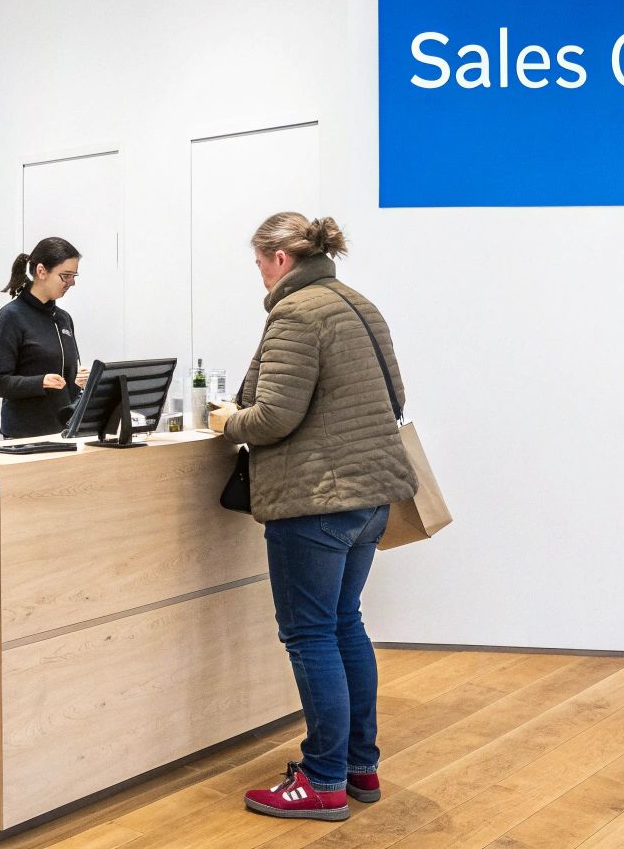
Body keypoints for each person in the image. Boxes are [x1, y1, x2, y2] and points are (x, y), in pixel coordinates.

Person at [208, 212, 417, 822]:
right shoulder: (360, 304)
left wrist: (225, 422)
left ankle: (322, 779)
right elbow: (395, 396)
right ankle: (359, 766)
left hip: (316, 502)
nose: (259, 280)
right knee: (344, 625)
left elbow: (273, 417)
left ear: (279, 259)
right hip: (372, 497)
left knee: (309, 635)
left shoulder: (296, 315)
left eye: (258, 266)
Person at [0, 236, 87, 438]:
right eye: (65, 275)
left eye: (74, 276)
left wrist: (82, 380)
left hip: (63, 434)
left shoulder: (63, 319)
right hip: (25, 437)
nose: (72, 282)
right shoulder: (10, 318)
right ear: (41, 271)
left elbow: (65, 380)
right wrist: (40, 382)